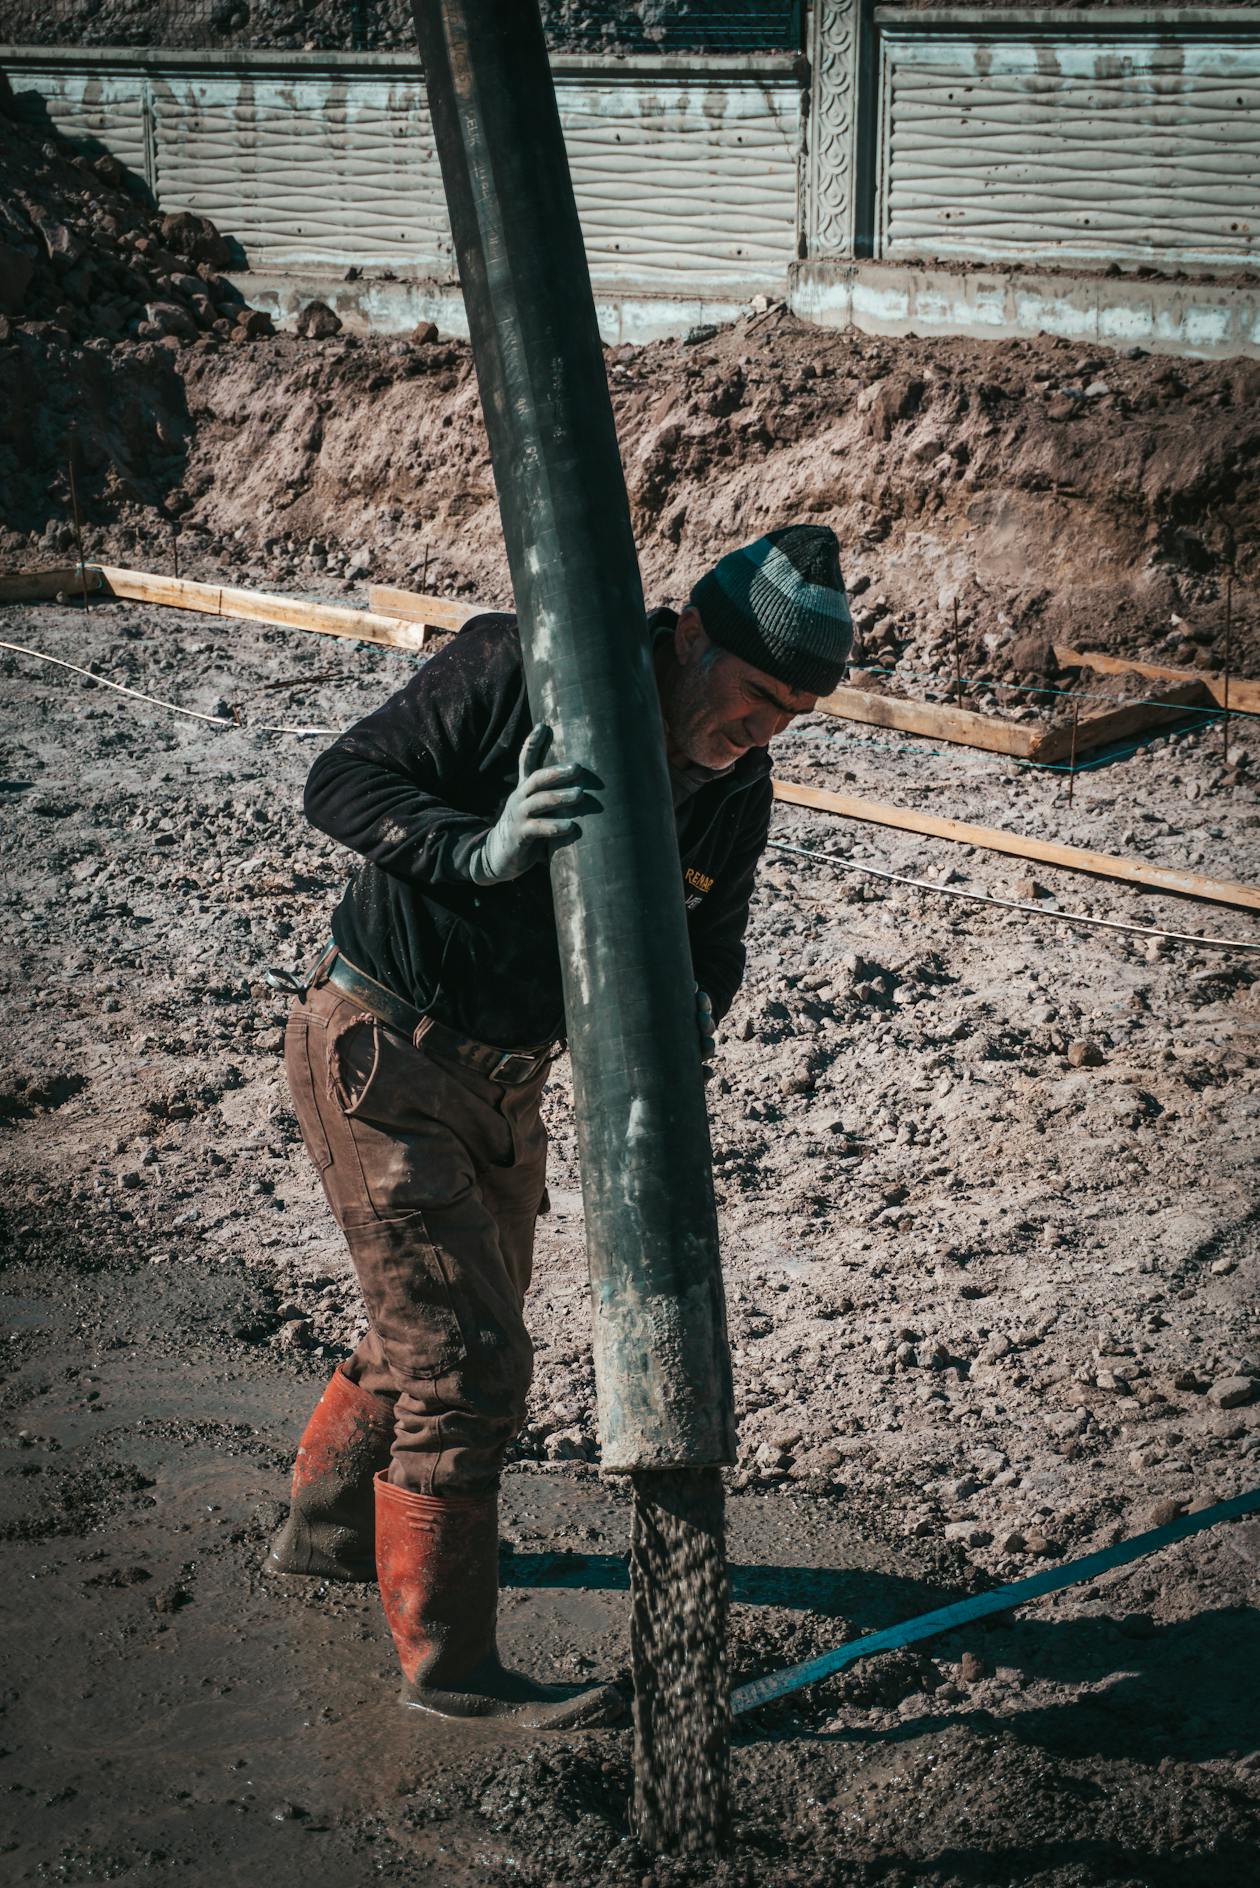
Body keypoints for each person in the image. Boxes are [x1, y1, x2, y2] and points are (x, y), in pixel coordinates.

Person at [268, 524, 852, 1725]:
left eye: (794, 713)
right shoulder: (516, 666)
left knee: (440, 1327)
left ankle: (326, 1533)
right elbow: (341, 780)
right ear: (692, 636)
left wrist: (686, 1011)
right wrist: (475, 851)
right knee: (464, 1364)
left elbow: (714, 948)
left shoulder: (736, 788)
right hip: (383, 1046)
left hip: (508, 1083)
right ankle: (454, 1673)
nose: (766, 730)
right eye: (757, 697)